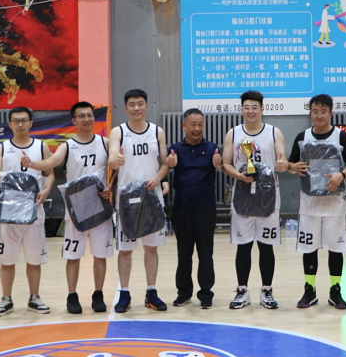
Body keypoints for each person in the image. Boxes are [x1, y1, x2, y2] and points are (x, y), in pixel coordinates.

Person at [21, 102, 113, 314]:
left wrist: (111, 186)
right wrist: (32, 164)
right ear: (74, 121)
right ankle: (72, 295)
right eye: (81, 116)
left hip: (100, 207)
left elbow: (117, 166)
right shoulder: (68, 146)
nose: (86, 119)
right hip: (75, 209)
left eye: (89, 115)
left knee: (100, 254)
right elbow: (50, 163)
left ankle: (98, 294)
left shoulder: (105, 142)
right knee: (73, 255)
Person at [0, 106, 54, 317]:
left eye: (24, 120)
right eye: (16, 121)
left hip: (34, 212)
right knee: (6, 260)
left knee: (34, 260)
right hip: (8, 214)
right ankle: (6, 299)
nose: (20, 124)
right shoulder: (1, 148)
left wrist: (47, 190)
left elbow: (50, 174)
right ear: (10, 124)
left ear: (31, 123)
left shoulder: (41, 147)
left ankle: (34, 298)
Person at [287, 94, 346, 310]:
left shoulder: (341, 136)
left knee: (335, 248)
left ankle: (335, 290)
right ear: (310, 113)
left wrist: (341, 175)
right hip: (309, 203)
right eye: (315, 111)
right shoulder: (302, 137)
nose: (319, 115)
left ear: (331, 113)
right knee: (309, 247)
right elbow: (291, 164)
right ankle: (309, 290)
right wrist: (293, 167)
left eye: (323, 111)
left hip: (334, 204)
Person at [221, 91, 288, 310]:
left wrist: (283, 164)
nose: (250, 111)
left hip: (268, 197)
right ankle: (242, 291)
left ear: (261, 109)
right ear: (241, 109)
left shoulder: (274, 132)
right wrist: (239, 176)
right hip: (242, 194)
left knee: (266, 246)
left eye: (254, 107)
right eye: (246, 107)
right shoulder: (233, 133)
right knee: (243, 246)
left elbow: (283, 160)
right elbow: (226, 163)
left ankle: (266, 290)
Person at [108, 89, 170, 313]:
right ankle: (124, 293)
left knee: (151, 248)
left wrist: (159, 178)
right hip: (127, 200)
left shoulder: (157, 131)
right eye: (132, 104)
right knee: (125, 249)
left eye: (140, 103)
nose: (136, 108)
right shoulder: (118, 132)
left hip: (152, 197)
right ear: (126, 108)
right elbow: (111, 159)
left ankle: (151, 292)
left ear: (147, 106)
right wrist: (115, 160)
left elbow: (165, 163)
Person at [166, 108, 222, 310]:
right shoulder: (175, 149)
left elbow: (221, 165)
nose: (197, 128)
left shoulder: (213, 148)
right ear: (184, 126)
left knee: (206, 252)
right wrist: (170, 164)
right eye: (193, 124)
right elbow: (165, 167)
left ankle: (206, 294)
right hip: (182, 208)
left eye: (200, 125)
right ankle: (184, 293)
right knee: (184, 253)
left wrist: (218, 164)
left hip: (206, 208)